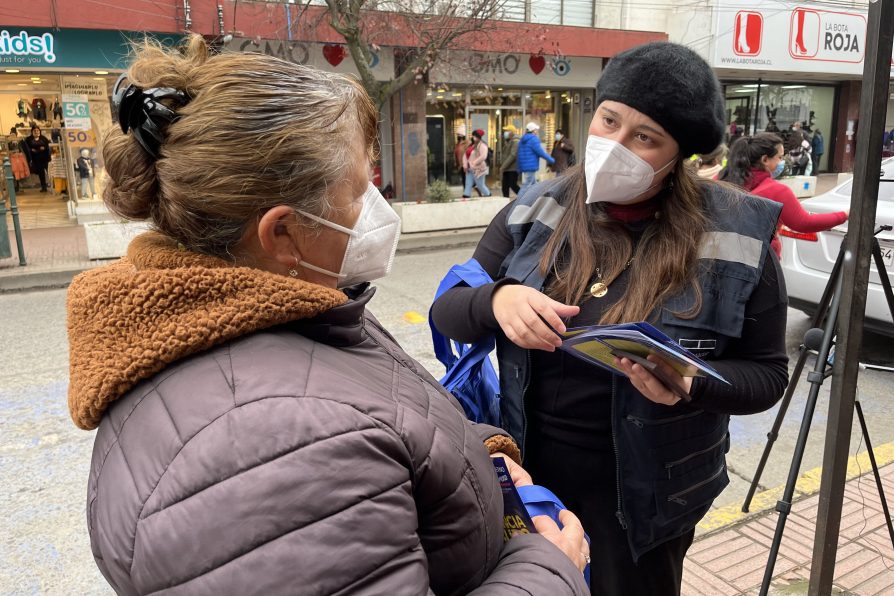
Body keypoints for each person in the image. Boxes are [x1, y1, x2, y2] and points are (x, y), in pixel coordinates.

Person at [68, 36, 589, 595]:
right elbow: (333, 446)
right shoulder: (268, 443)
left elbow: (377, 419)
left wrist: (473, 463)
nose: (378, 209)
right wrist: (547, 573)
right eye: (361, 191)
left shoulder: (284, 310)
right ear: (282, 233)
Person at [431, 42, 790, 596]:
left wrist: (692, 383)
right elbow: (448, 310)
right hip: (530, 478)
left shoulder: (737, 236)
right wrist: (495, 301)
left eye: (643, 137)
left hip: (647, 500)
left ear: (680, 155)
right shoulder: (537, 206)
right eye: (609, 120)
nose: (613, 145)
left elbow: (766, 374)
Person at [719, 133, 847, 259]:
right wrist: (844, 215)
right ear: (765, 160)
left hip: (720, 260)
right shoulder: (776, 191)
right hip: (758, 265)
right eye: (780, 157)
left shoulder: (720, 181)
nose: (782, 162)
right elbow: (804, 222)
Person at [517, 122, 555, 195]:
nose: (537, 131)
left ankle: (538, 197)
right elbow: (541, 152)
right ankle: (518, 200)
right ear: (533, 130)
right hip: (530, 166)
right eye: (536, 130)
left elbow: (519, 153)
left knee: (534, 183)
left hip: (525, 165)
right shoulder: (533, 139)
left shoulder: (523, 139)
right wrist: (551, 160)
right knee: (527, 184)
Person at [463, 128, 492, 197]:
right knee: (468, 184)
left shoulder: (483, 146)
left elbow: (483, 156)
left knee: (480, 185)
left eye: (474, 136)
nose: (473, 137)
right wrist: (465, 165)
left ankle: (488, 194)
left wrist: (474, 163)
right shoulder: (471, 146)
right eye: (473, 136)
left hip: (479, 169)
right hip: (469, 169)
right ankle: (466, 195)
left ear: (478, 137)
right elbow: (465, 155)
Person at [23, 125, 51, 193]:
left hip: (45, 158)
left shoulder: (43, 138)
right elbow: (26, 148)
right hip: (36, 159)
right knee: (41, 173)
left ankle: (53, 185)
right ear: (32, 131)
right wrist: (31, 150)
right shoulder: (28, 139)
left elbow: (48, 146)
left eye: (38, 130)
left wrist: (44, 148)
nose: (36, 132)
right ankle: (44, 187)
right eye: (35, 131)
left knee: (49, 172)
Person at [501, 129, 520, 198]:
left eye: (507, 131)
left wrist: (503, 166)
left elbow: (513, 155)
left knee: (513, 185)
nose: (505, 133)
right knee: (504, 186)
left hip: (513, 168)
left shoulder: (516, 142)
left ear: (511, 132)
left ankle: (523, 196)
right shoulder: (509, 141)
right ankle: (505, 201)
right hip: (507, 168)